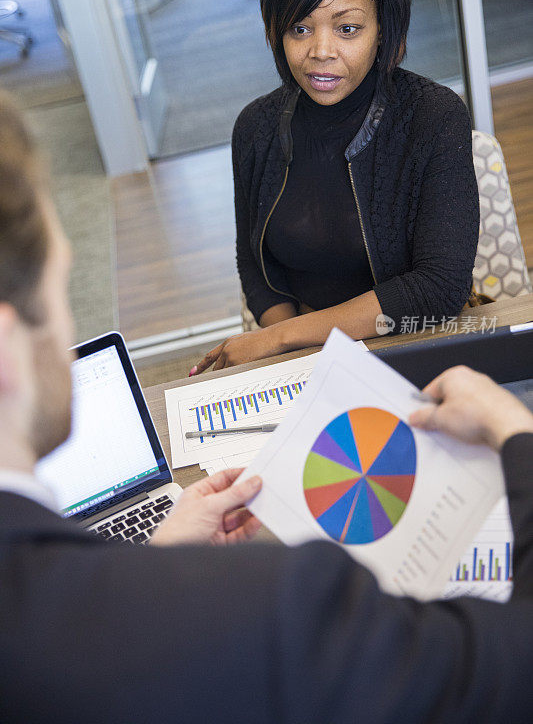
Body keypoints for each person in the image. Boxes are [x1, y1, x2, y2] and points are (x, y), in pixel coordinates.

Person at [1, 92, 533, 723]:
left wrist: (144, 561)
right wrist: (515, 430)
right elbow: (510, 666)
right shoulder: (269, 606)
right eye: (62, 286)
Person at [192, 0, 480, 375]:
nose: (320, 51)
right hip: (310, 360)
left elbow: (439, 288)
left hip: (421, 344)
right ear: (275, 32)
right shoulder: (255, 128)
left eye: (347, 28)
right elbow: (256, 266)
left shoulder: (434, 116)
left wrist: (280, 338)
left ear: (383, 29)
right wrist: (294, 361)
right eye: (300, 28)